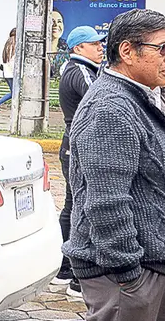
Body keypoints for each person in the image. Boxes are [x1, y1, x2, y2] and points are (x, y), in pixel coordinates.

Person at [63, 9, 165, 321]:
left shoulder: (138, 96)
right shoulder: (111, 107)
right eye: (163, 48)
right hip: (125, 274)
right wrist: (128, 274)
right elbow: (106, 202)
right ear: (127, 51)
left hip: (148, 267)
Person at [52, 25, 107, 298]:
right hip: (80, 147)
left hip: (74, 146)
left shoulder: (82, 69)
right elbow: (104, 103)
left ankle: (63, 269)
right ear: (78, 48)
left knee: (73, 206)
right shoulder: (81, 72)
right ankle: (76, 275)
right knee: (82, 209)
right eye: (94, 44)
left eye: (101, 43)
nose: (100, 47)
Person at [0, 28, 17, 117]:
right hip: (13, 73)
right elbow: (14, 61)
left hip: (7, 72)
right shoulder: (16, 44)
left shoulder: (7, 44)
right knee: (15, 93)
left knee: (14, 92)